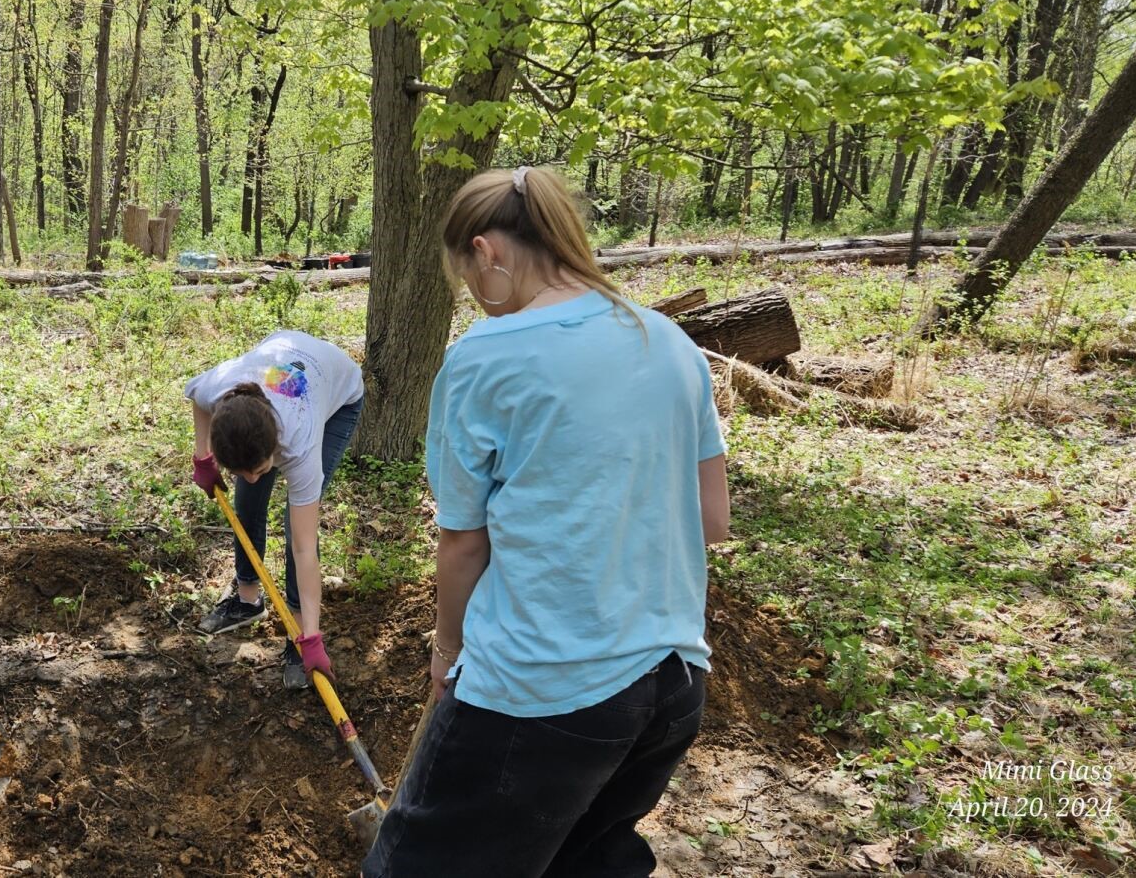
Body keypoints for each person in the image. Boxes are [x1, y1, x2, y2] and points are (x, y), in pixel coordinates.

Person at [363, 166, 731, 877]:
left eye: (466, 273)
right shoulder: (667, 339)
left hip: (540, 691)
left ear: (487, 252)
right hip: (670, 685)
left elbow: (464, 545)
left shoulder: (485, 357)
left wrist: (446, 655)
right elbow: (711, 518)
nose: (473, 291)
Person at [186, 330, 364, 689]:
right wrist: (203, 458)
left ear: (276, 450)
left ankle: (298, 634)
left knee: (295, 524)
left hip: (337, 393)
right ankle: (248, 599)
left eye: (262, 469)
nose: (251, 477)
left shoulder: (300, 442)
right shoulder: (219, 389)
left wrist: (312, 636)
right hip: (280, 368)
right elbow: (197, 398)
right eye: (240, 470)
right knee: (248, 498)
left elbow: (303, 546)